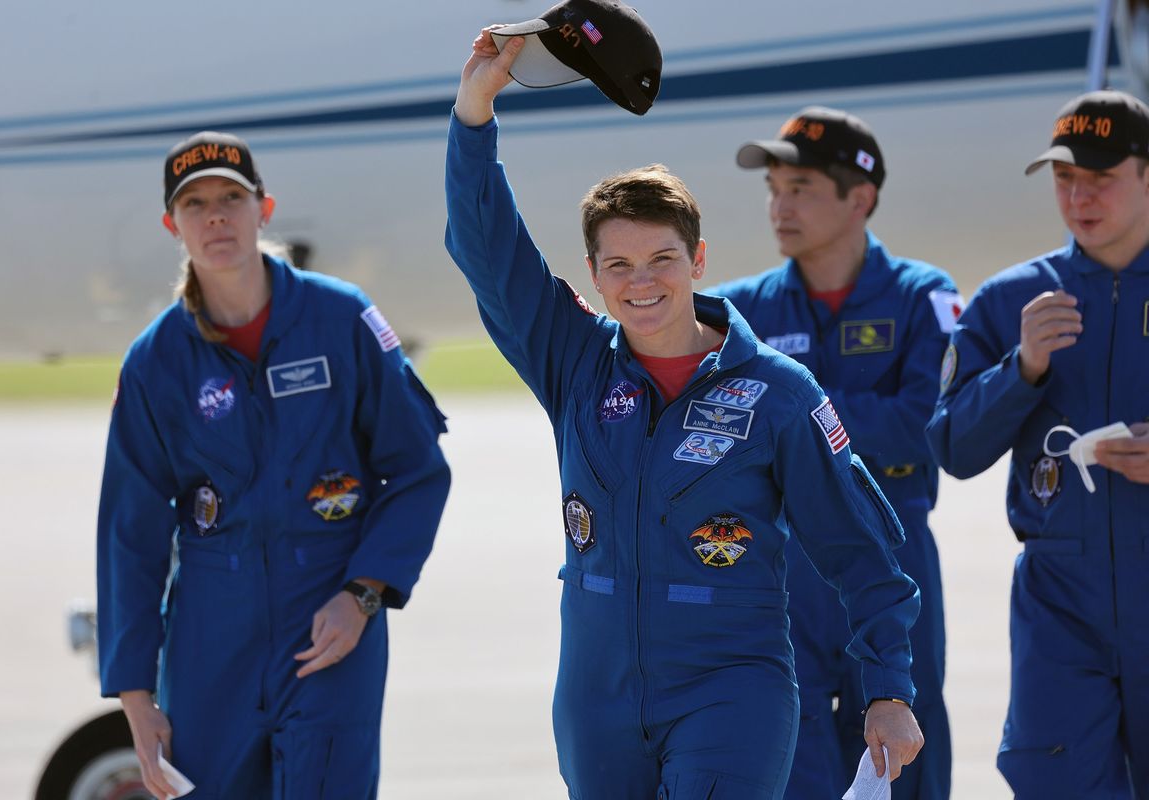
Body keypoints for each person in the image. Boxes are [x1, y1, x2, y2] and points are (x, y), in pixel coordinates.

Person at [445, 27, 924, 799]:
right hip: (596, 698)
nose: (643, 283)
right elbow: (488, 252)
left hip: (730, 691)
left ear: (697, 261)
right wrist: (474, 115)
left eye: (663, 259)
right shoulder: (574, 364)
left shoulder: (779, 392)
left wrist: (889, 687)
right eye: (620, 265)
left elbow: (860, 552)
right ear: (595, 277)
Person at [96, 130, 451, 799]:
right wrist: (135, 691)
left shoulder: (341, 318)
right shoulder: (156, 361)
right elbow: (131, 535)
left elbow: (417, 470)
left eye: (232, 197)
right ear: (174, 225)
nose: (216, 217)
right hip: (210, 634)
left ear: (265, 207)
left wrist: (364, 592)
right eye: (195, 204)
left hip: (328, 626)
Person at [710, 107, 958, 799]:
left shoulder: (924, 296)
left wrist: (788, 414)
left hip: (892, 557)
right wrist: (839, 417)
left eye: (802, 188)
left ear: (862, 199)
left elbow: (923, 423)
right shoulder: (737, 312)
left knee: (904, 749)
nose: (779, 206)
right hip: (782, 568)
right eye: (774, 189)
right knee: (791, 756)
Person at [926, 89, 1149, 798]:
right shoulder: (1011, 301)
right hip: (1061, 609)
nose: (1079, 197)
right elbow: (953, 448)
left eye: (1101, 177)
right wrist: (1020, 370)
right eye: (1063, 178)